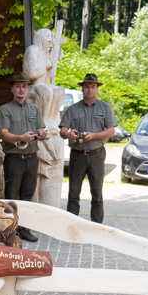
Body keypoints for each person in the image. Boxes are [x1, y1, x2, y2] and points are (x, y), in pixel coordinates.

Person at [59, 73, 116, 224]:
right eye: (87, 87)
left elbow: (111, 131)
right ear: (82, 88)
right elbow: (62, 131)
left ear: (97, 89)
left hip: (97, 155)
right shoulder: (72, 109)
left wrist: (94, 136)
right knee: (73, 193)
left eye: (93, 87)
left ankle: (96, 226)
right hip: (77, 155)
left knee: (97, 194)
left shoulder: (105, 107)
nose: (89, 90)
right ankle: (71, 226)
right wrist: (69, 133)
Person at [0, 72, 47, 242]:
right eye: (17, 86)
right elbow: (3, 134)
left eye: (24, 86)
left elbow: (42, 130)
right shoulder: (5, 109)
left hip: (32, 158)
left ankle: (24, 229)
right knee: (11, 196)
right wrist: (20, 138)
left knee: (28, 196)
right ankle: (10, 232)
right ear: (12, 88)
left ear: (27, 89)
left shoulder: (34, 108)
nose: (21, 89)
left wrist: (42, 133)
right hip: (15, 158)